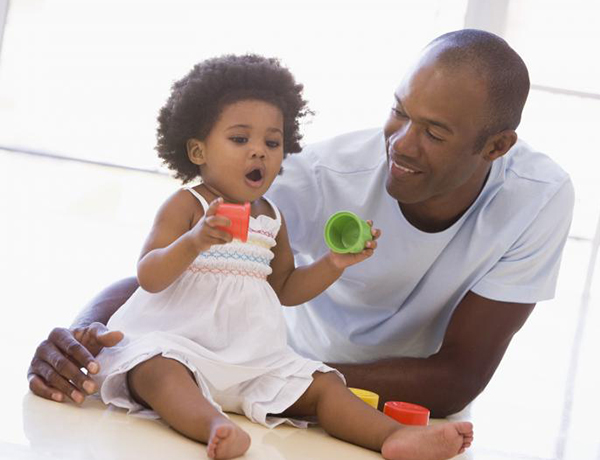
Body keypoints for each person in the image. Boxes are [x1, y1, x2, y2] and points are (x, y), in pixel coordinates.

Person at [28, 29, 574, 420]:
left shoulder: (537, 200)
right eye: (399, 111)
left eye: (434, 132)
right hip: (272, 385)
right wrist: (85, 334)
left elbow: (456, 378)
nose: (400, 144)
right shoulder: (321, 176)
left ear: (497, 146)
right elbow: (189, 262)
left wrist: (275, 379)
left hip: (381, 405)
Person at [35, 54, 474, 460]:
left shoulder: (272, 216)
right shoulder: (187, 205)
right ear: (197, 152)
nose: (259, 150)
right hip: (180, 344)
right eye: (240, 138)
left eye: (272, 140)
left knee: (323, 385)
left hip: (250, 357)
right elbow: (149, 276)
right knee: (158, 372)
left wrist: (333, 264)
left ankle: (391, 437)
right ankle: (213, 426)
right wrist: (194, 240)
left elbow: (284, 288)